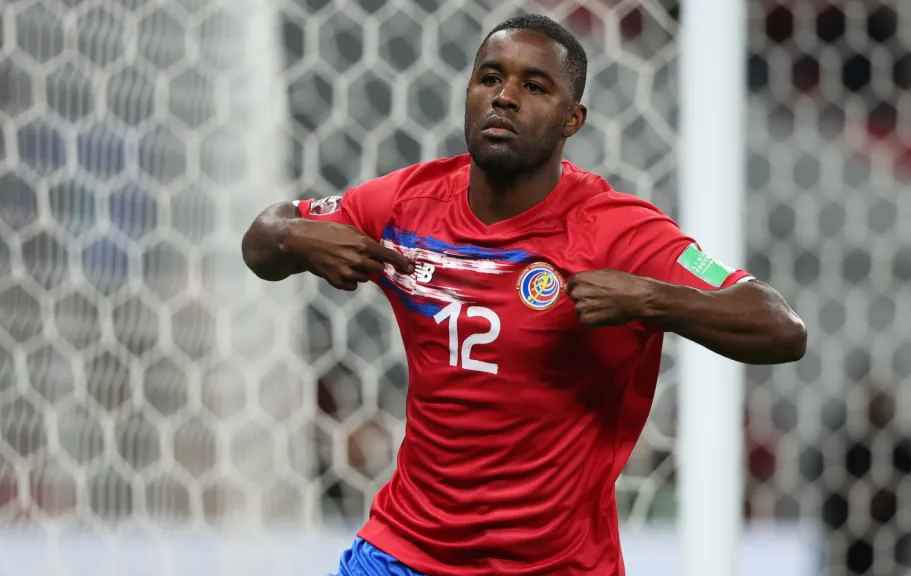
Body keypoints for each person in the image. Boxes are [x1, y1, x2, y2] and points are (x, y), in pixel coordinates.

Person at [242, 13, 807, 576]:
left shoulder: (617, 232)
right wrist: (292, 233)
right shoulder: (408, 203)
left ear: (573, 119)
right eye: (490, 78)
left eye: (534, 86)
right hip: (402, 554)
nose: (505, 97)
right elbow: (262, 240)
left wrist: (651, 300)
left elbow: (781, 327)